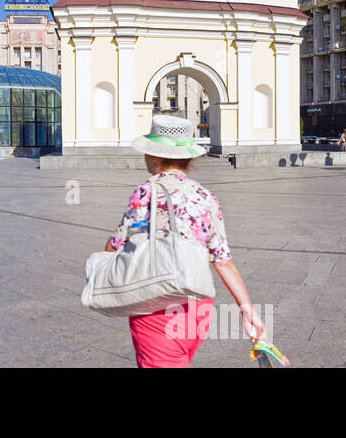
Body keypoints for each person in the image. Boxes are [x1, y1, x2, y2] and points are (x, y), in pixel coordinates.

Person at [107, 115, 265, 368]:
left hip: (157, 306)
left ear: (156, 156)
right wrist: (248, 311)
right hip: (198, 308)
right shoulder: (206, 196)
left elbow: (115, 246)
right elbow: (223, 260)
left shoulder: (147, 190)